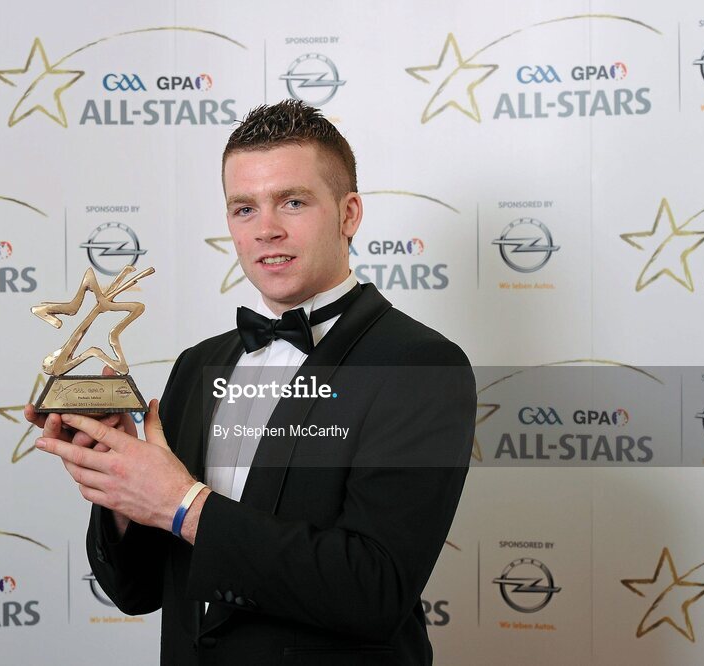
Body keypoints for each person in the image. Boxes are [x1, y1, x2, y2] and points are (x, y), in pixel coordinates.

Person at [26, 100, 476, 665]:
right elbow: (136, 592)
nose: (266, 229)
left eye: (293, 201)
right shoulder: (198, 366)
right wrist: (121, 486)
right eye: (244, 208)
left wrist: (181, 503)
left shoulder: (419, 366)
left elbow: (374, 589)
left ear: (349, 214)